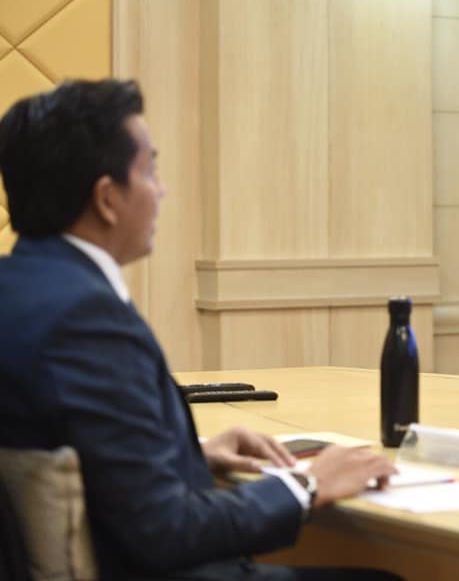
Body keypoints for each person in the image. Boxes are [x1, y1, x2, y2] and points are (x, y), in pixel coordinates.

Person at [0, 80, 402, 581]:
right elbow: (165, 531)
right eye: (150, 169)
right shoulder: (85, 318)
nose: (161, 189)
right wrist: (308, 485)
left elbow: (61, 435)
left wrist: (183, 455)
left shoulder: (18, 292)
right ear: (106, 199)